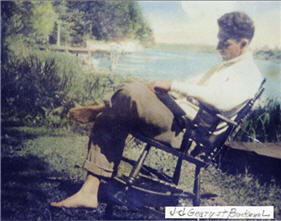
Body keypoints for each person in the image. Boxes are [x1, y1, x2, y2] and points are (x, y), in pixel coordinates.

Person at [51, 11, 263, 209]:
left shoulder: (248, 73)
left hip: (187, 133)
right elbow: (193, 86)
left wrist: (172, 85)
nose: (218, 45)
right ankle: (89, 191)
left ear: (243, 43)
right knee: (128, 98)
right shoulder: (227, 65)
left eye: (224, 41)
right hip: (177, 118)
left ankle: (102, 107)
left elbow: (221, 100)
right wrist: (159, 87)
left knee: (131, 93)